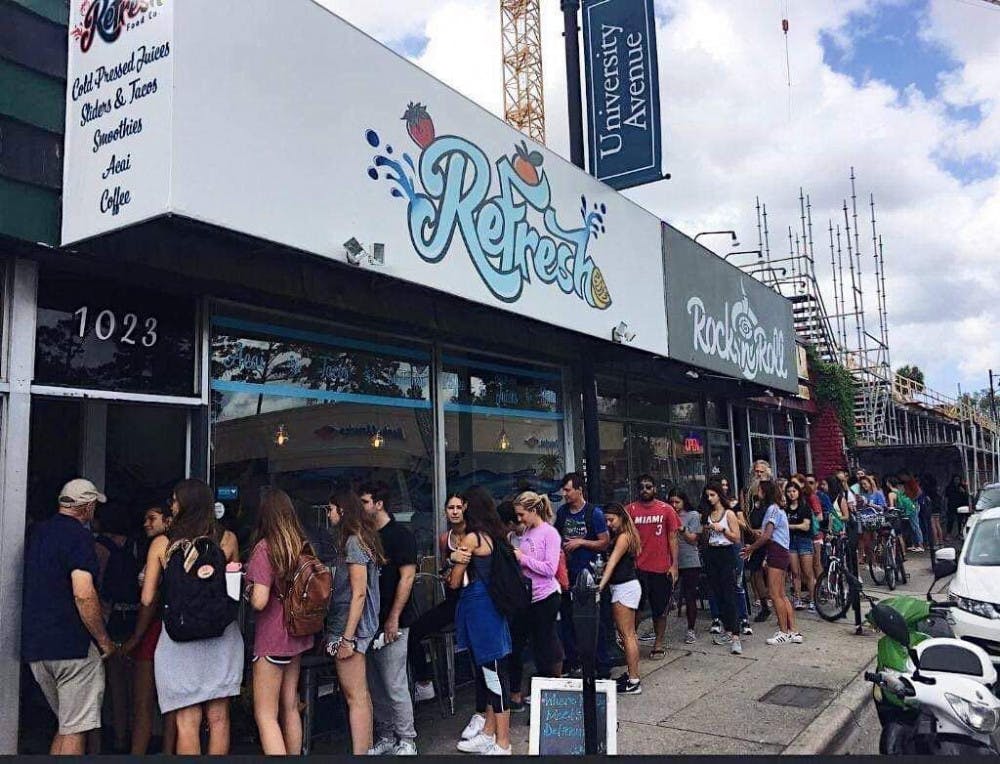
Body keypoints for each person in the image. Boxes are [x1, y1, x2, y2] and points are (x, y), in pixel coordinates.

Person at [140, 479, 244, 755]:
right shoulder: (227, 539)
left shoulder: (163, 544)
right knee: (219, 718)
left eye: (174, 500)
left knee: (187, 721)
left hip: (179, 637)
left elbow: (147, 598)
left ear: (183, 505)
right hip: (221, 635)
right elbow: (232, 584)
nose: (171, 506)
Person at [22, 478, 116, 756]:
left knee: (65, 725)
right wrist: (103, 641)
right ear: (86, 508)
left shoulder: (37, 533)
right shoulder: (79, 537)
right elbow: (83, 593)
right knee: (75, 729)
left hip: (37, 648)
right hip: (72, 647)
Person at [245, 488, 315, 755]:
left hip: (272, 637)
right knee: (290, 705)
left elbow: (260, 601)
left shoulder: (265, 548)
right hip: (296, 634)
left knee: (265, 714)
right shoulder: (300, 543)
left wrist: (249, 589)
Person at [449, 486, 514, 756]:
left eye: (462, 505)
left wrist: (454, 558)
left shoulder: (472, 539)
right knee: (491, 671)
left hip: (478, 608)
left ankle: (503, 742)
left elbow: (454, 581)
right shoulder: (495, 535)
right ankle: (489, 732)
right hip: (491, 607)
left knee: (493, 674)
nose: (459, 510)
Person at [361, 482, 418, 756]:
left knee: (394, 682)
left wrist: (394, 617)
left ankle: (407, 738)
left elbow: (407, 577)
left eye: (365, 502)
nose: (361, 508)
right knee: (375, 683)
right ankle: (386, 735)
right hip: (369, 622)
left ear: (379, 504)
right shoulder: (366, 536)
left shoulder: (400, 536)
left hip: (393, 619)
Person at [325, 491, 384, 756]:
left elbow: (358, 592)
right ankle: (367, 748)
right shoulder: (363, 539)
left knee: (355, 695)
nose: (328, 515)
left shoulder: (353, 543)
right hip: (356, 626)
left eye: (331, 509)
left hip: (350, 627)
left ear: (343, 511)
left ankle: (362, 751)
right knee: (360, 693)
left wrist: (347, 638)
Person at [504, 491, 564, 710]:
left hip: (545, 596)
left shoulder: (550, 533)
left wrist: (523, 559)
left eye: (522, 514)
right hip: (526, 596)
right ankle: (517, 692)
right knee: (517, 643)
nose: (519, 519)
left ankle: (549, 695)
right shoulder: (527, 531)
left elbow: (550, 569)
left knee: (543, 645)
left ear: (533, 510)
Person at [125, 503, 176, 755]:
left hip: (154, 629)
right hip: (173, 630)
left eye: (152, 518)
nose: (146, 523)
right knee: (172, 702)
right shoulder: (183, 546)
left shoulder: (160, 547)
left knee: (142, 702)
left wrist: (136, 636)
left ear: (168, 520)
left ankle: (137, 753)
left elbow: (150, 597)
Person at [92, 502, 141, 753]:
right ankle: (129, 738)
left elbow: (94, 587)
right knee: (132, 684)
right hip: (132, 616)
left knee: (108, 684)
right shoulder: (134, 544)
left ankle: (104, 742)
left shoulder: (99, 547)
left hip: (109, 618)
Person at [410, 493, 465, 704]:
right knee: (414, 630)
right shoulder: (445, 539)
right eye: (450, 508)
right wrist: (446, 571)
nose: (454, 511)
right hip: (452, 599)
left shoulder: (474, 535)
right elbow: (445, 568)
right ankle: (424, 683)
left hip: (469, 597)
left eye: (458, 507)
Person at [554, 473, 610, 676]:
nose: (565, 494)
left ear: (579, 490)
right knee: (569, 620)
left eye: (568, 490)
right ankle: (574, 660)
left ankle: (601, 663)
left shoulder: (593, 513)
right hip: (569, 573)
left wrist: (581, 542)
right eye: (564, 490)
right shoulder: (562, 513)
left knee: (595, 620)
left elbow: (604, 541)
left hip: (590, 573)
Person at [625, 474, 679, 659]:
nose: (645, 490)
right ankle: (629, 641)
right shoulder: (630, 510)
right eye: (641, 487)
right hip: (638, 567)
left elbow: (673, 538)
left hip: (661, 568)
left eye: (648, 487)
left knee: (660, 609)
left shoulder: (667, 510)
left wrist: (674, 565)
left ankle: (659, 642)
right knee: (636, 609)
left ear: (655, 489)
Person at [742, 480, 800, 645]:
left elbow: (767, 535)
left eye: (759, 489)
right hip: (780, 551)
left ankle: (783, 631)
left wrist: (751, 548)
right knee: (781, 594)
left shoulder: (772, 509)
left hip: (777, 551)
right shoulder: (776, 509)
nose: (757, 492)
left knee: (775, 594)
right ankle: (792, 630)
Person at [597, 503, 643, 695]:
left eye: (611, 520)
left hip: (624, 587)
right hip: (625, 586)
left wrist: (599, 586)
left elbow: (613, 562)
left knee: (627, 635)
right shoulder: (625, 536)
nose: (609, 524)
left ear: (622, 518)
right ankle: (632, 675)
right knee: (628, 634)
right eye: (606, 520)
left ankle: (634, 679)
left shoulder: (624, 537)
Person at [699, 482, 743, 655]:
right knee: (717, 593)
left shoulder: (729, 513)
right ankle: (727, 628)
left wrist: (722, 529)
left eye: (713, 495)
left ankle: (736, 636)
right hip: (712, 552)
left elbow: (736, 538)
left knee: (729, 593)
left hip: (725, 553)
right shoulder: (708, 514)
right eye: (708, 495)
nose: (710, 499)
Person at [669, 491, 702, 645]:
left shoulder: (692, 515)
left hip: (689, 560)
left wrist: (682, 529)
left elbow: (694, 540)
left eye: (677, 502)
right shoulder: (667, 513)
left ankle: (691, 628)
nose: (674, 506)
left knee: (690, 596)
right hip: (671, 560)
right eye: (672, 502)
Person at [784, 480, 815, 612]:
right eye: (789, 491)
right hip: (790, 541)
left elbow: (805, 526)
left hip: (804, 540)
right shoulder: (785, 509)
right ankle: (797, 598)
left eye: (794, 491)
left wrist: (790, 526)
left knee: (808, 572)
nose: (791, 494)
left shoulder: (804, 507)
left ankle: (813, 599)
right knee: (795, 572)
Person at [944, 475, 969, 540]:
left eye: (958, 479)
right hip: (951, 506)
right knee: (950, 520)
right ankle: (948, 534)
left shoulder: (962, 487)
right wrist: (945, 506)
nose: (957, 481)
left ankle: (960, 534)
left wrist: (963, 491)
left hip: (960, 506)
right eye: (955, 479)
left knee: (960, 521)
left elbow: (966, 497)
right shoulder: (949, 487)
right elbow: (946, 497)